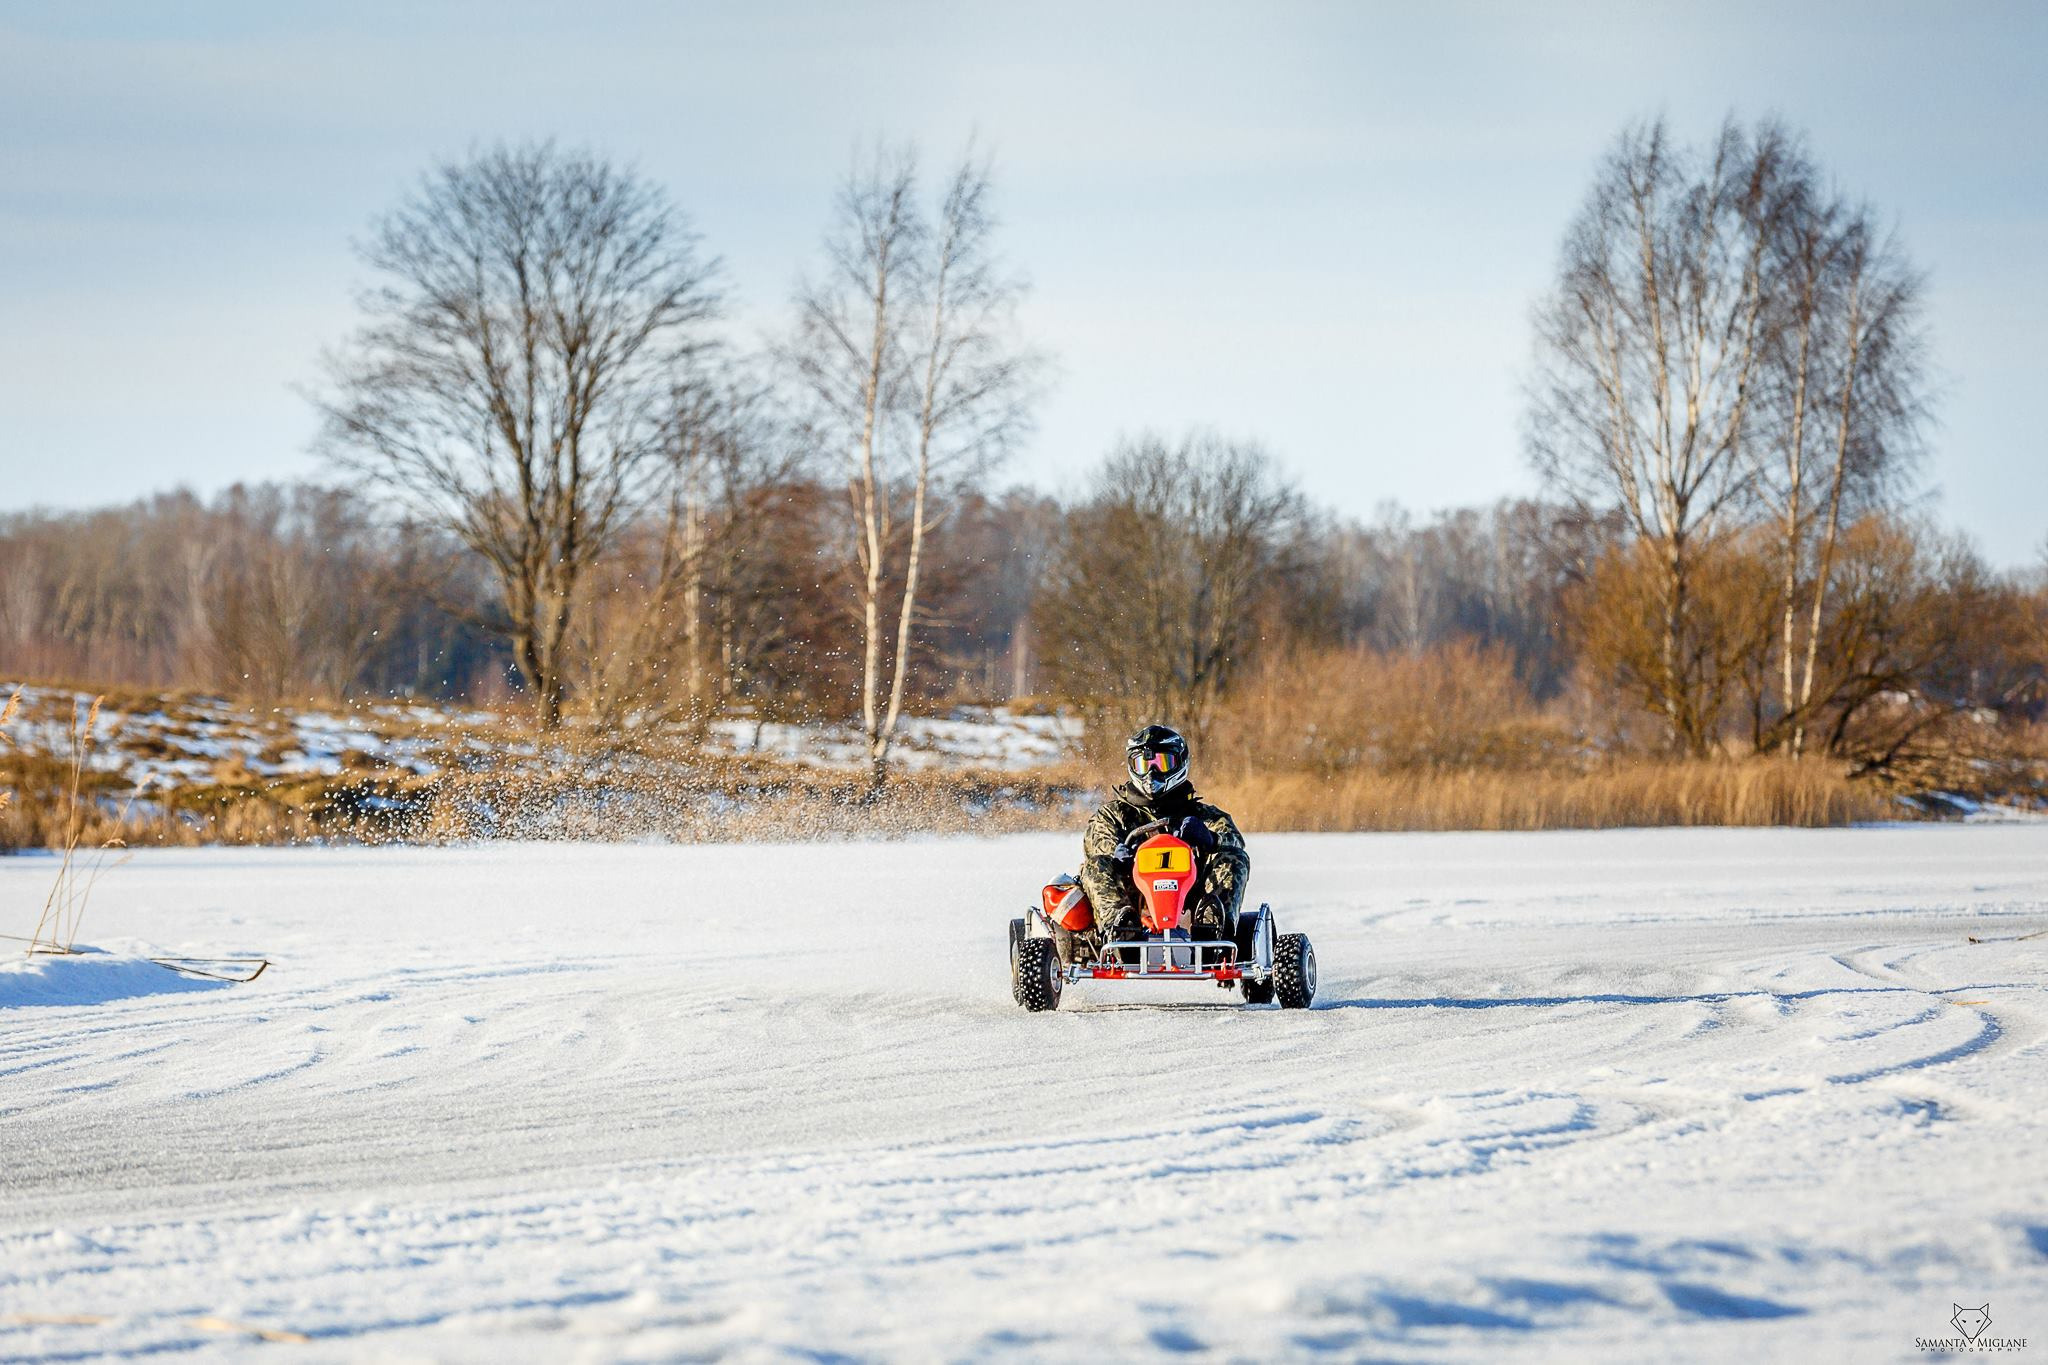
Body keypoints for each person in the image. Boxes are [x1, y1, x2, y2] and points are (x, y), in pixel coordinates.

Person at [1079, 724, 1249, 941]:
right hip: (1133, 895)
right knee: (1096, 865)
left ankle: (1212, 930)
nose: (1151, 773)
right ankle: (1121, 932)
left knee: (1233, 857)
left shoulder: (1203, 815)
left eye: (1161, 763)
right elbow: (1097, 843)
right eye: (1143, 765)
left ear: (1180, 764)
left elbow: (1235, 842)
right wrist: (1118, 853)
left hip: (1189, 896)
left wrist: (1210, 838)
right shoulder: (1113, 815)